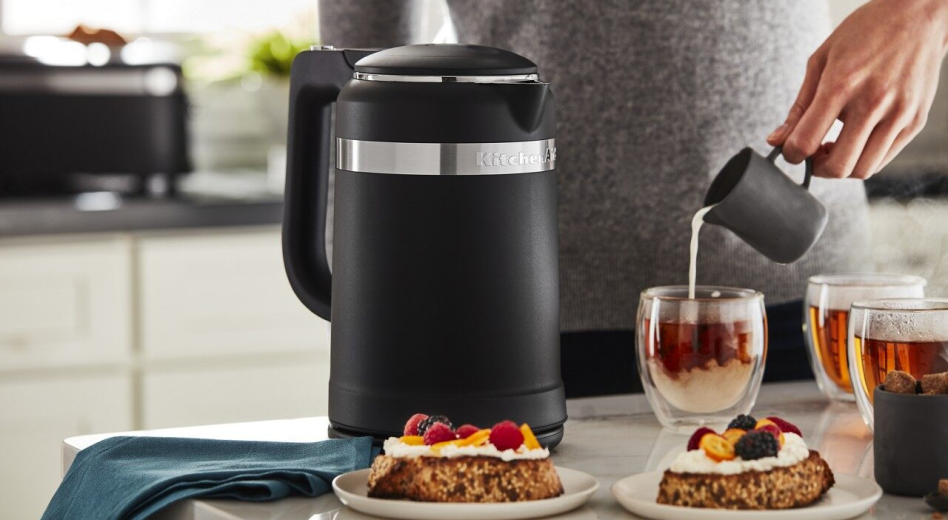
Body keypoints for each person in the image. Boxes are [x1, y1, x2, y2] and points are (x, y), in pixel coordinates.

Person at [319, 0, 948, 396]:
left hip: (794, 306)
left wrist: (924, 11)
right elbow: (363, 58)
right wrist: (359, 251)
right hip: (512, 300)